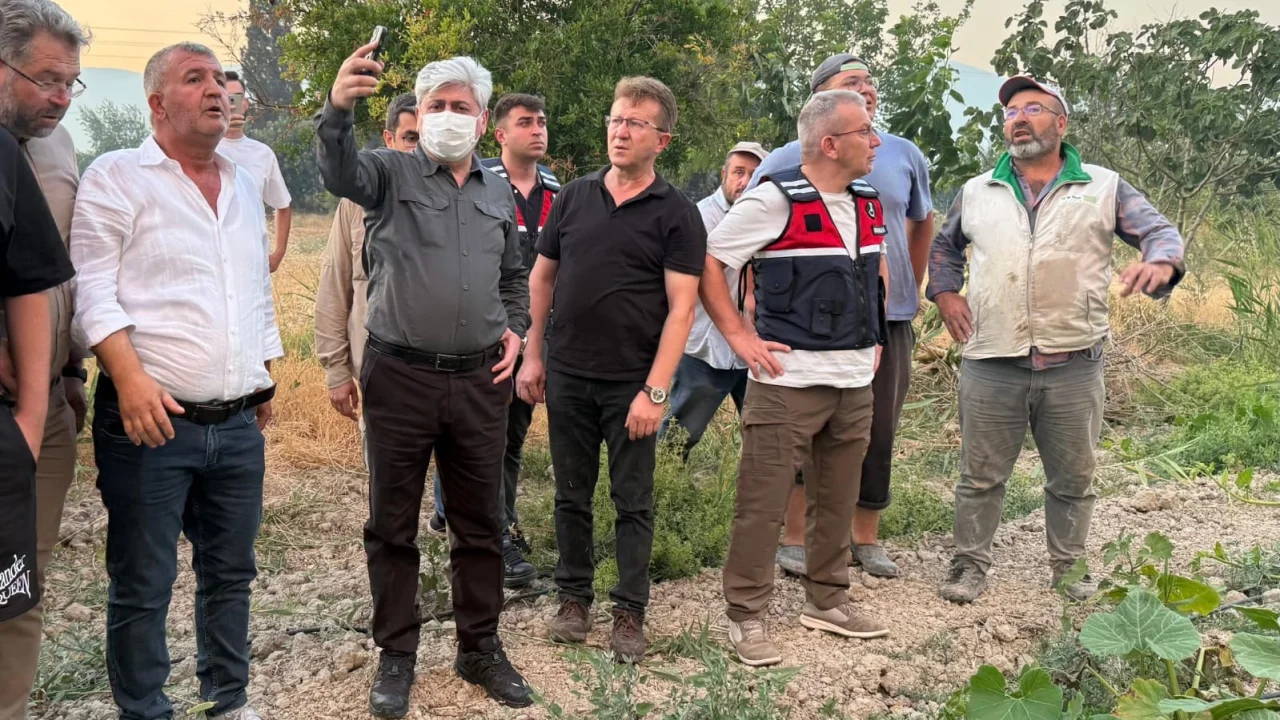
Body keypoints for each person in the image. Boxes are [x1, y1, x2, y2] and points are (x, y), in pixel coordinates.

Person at [317, 47, 533, 714]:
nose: (446, 115)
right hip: (400, 377)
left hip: (480, 381)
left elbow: (513, 274)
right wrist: (338, 108)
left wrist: (517, 327)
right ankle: (397, 655)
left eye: (460, 106)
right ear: (419, 111)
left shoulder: (497, 189)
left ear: (483, 119)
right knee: (392, 525)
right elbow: (338, 170)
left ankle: (480, 648)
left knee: (481, 522)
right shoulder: (388, 172)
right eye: (435, 104)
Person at [71, 43, 280, 720]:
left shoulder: (242, 182)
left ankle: (229, 700)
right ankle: (144, 710)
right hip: (150, 420)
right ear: (157, 103)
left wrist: (263, 375)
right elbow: (92, 289)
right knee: (144, 579)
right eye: (196, 79)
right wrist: (128, 378)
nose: (218, 90)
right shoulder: (116, 177)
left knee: (231, 572)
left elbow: (252, 289)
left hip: (236, 422)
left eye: (220, 78)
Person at [927, 75, 1186, 604]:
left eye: (1033, 109)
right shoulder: (978, 190)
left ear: (1061, 123)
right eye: (1011, 112)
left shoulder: (1102, 185)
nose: (1018, 119)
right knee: (979, 476)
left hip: (1074, 360)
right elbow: (945, 248)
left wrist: (1161, 262)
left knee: (1073, 478)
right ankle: (969, 565)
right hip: (992, 356)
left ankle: (1068, 568)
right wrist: (946, 293)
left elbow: (1158, 232)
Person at [517, 76, 705, 663]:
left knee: (632, 500)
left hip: (632, 385)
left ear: (662, 140)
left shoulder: (677, 214)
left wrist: (656, 391)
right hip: (569, 375)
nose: (620, 132)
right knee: (570, 495)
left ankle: (629, 612)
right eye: (615, 119)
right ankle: (573, 600)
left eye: (635, 123)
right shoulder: (573, 198)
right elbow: (541, 279)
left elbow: (682, 310)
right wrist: (533, 353)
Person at [701, 89, 890, 667]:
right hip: (786, 384)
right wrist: (739, 336)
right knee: (762, 505)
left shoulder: (867, 201)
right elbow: (709, 262)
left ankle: (826, 600)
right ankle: (745, 613)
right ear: (830, 144)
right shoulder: (772, 200)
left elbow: (873, 272)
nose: (875, 141)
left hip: (854, 381)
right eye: (865, 132)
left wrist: (876, 339)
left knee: (837, 497)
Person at [751, 54, 934, 580]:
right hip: (803, 323)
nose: (868, 89)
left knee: (875, 428)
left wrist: (905, 287)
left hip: (883, 322)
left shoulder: (901, 153)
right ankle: (795, 537)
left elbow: (921, 221)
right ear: (821, 100)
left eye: (870, 81)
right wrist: (751, 310)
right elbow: (746, 235)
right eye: (853, 82)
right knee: (803, 427)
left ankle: (864, 537)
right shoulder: (784, 159)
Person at [426, 93, 561, 588]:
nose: (537, 130)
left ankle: (489, 519)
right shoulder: (477, 182)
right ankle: (489, 531)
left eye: (541, 121)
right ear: (499, 134)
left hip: (530, 333)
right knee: (476, 437)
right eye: (525, 122)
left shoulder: (555, 189)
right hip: (481, 334)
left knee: (511, 437)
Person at [0, 2, 87, 716]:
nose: (61, 98)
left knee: (17, 579)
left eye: (71, 83)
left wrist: (67, 376)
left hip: (41, 409)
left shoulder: (59, 152)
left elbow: (60, 274)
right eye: (47, 80)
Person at [314, 92, 418, 445]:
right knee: (386, 476)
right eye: (410, 138)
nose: (417, 150)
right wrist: (337, 370)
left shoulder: (459, 201)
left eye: (425, 139)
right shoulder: (355, 204)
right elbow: (335, 285)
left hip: (449, 378)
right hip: (379, 376)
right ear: (389, 139)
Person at [657, 141, 768, 457]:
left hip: (758, 345)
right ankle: (659, 482)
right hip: (707, 346)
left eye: (754, 174)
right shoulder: (700, 218)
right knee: (679, 436)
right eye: (738, 172)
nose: (745, 181)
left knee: (767, 433)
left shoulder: (769, 216)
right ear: (723, 174)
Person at [218, 70, 292, 272]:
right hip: (213, 263)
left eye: (236, 98)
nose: (231, 104)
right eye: (226, 98)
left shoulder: (262, 153)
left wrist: (278, 253)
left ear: (245, 103)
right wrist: (218, 131)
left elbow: (283, 205)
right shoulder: (201, 150)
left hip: (252, 263)